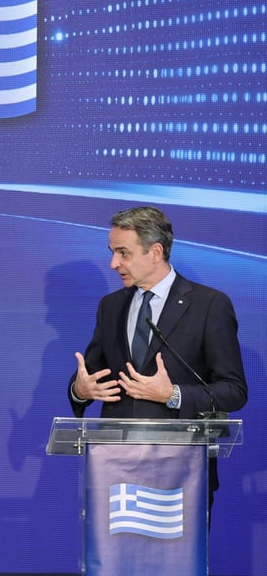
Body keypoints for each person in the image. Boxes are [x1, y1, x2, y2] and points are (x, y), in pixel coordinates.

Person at [68, 206, 247, 507]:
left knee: (177, 555)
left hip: (182, 471)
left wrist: (173, 394)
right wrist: (80, 390)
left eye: (123, 253)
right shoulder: (111, 306)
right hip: (115, 469)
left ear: (155, 252)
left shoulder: (209, 305)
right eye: (112, 252)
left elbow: (233, 390)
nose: (113, 263)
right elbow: (92, 374)